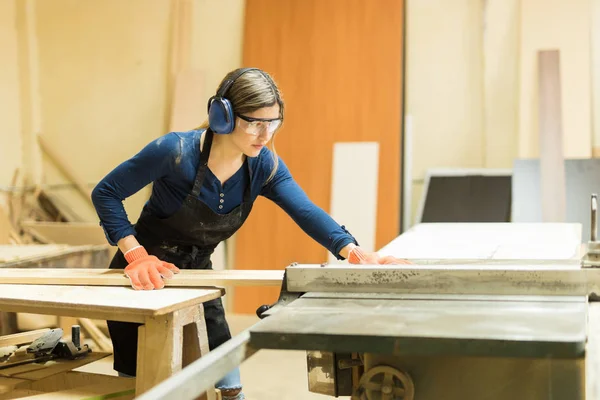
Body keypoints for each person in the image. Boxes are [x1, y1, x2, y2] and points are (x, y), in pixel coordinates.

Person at [91, 67, 408, 400]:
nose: (265, 134)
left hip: (196, 279)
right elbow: (106, 192)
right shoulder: (175, 152)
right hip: (143, 281)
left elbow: (306, 211)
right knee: (144, 386)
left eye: (273, 123)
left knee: (230, 387)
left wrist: (356, 253)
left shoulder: (264, 166)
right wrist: (136, 255)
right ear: (222, 116)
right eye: (255, 123)